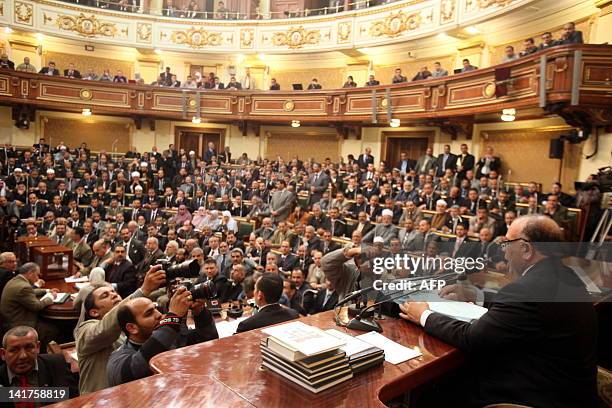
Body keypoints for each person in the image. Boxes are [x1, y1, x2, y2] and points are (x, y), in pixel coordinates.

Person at [399, 215, 597, 407]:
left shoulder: (526, 289)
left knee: (436, 388)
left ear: (526, 249)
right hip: (573, 389)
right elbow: (524, 307)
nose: (503, 252)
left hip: (536, 395)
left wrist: (424, 315)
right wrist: (476, 294)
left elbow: (472, 338)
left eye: (507, 244)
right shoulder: (567, 275)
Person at [75, 266, 165, 394]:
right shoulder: (85, 330)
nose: (113, 295)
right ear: (94, 312)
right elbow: (105, 329)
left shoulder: (128, 324)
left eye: (114, 292)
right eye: (105, 295)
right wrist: (143, 290)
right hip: (99, 401)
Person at [107, 286, 218, 386]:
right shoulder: (117, 361)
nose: (159, 315)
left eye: (155, 309)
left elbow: (209, 341)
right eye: (149, 313)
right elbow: (141, 365)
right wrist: (173, 317)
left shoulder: (171, 337)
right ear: (132, 328)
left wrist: (200, 312)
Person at [0, 326, 78, 397]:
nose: (23, 356)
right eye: (14, 350)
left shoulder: (57, 364)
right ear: (3, 354)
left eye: (29, 348)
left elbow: (73, 400)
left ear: (38, 347)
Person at [0, 263, 59, 349]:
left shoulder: (15, 280)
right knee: (55, 328)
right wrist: (50, 297)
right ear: (31, 273)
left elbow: (30, 292)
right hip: (20, 324)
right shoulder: (23, 287)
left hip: (10, 320)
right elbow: (36, 306)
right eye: (37, 275)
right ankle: (43, 352)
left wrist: (47, 291)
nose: (38, 278)